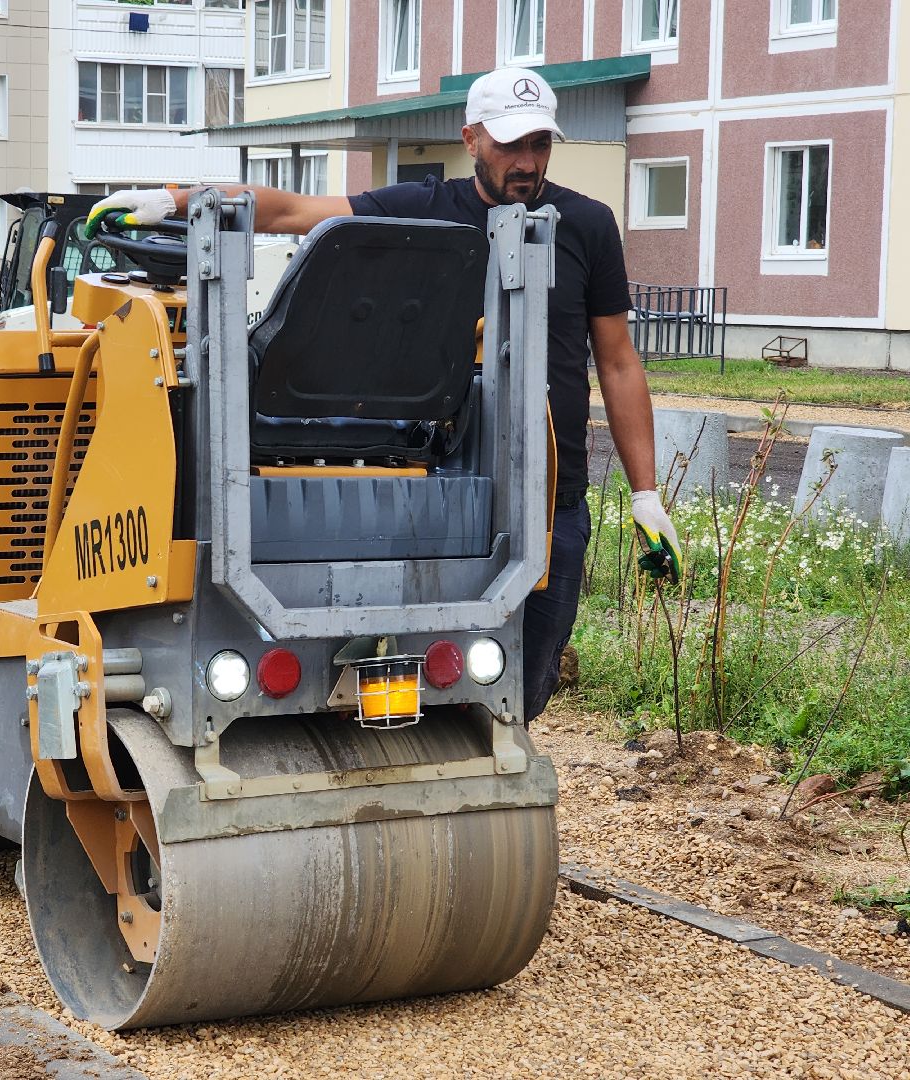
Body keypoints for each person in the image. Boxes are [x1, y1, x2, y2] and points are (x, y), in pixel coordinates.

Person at [86, 66, 681, 727]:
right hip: (449, 498)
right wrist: (174, 198)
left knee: (521, 694)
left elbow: (620, 364)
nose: (527, 162)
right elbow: (289, 211)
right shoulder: (425, 208)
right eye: (511, 145)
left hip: (553, 507)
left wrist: (645, 494)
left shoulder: (586, 224)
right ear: (473, 138)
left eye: (539, 144)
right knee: (432, 689)